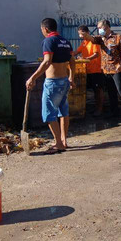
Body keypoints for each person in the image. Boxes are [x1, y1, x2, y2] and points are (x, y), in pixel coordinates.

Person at [26, 17, 75, 154]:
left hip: (53, 83)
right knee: (63, 111)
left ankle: (58, 144)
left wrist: (32, 78)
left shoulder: (48, 41)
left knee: (48, 114)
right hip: (64, 81)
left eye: (41, 29)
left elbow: (47, 62)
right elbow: (72, 61)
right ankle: (64, 141)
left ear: (45, 29)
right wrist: (71, 77)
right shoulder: (65, 41)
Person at [80, 20, 121, 118]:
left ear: (107, 27)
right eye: (98, 28)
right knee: (110, 91)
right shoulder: (101, 39)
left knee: (120, 89)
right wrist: (84, 34)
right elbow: (92, 39)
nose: (99, 30)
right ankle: (114, 112)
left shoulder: (118, 37)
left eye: (100, 28)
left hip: (116, 68)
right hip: (106, 69)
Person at [74, 25, 104, 117]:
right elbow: (76, 52)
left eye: (81, 34)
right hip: (87, 70)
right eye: (79, 34)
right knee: (88, 90)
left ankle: (99, 109)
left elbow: (96, 54)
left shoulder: (93, 41)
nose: (80, 36)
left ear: (86, 32)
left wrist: (85, 58)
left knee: (98, 90)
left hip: (96, 70)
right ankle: (93, 108)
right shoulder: (84, 43)